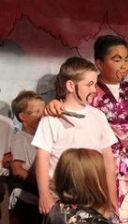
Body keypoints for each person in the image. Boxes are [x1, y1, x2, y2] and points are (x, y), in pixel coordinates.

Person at [46, 35, 128, 224]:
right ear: (99, 64)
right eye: (116, 59)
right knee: (103, 222)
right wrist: (52, 105)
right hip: (100, 168)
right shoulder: (88, 91)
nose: (123, 65)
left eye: (126, 59)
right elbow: (65, 107)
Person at [32, 56, 118, 215]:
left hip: (93, 194)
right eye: (89, 84)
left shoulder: (98, 116)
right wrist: (44, 194)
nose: (94, 90)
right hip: (60, 194)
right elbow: (42, 158)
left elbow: (108, 160)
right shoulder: (51, 118)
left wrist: (112, 196)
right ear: (71, 85)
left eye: (95, 84)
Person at [8, 90, 45, 224]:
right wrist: (40, 182)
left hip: (40, 199)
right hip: (26, 200)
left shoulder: (44, 138)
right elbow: (17, 169)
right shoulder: (20, 139)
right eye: (35, 111)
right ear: (23, 116)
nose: (41, 115)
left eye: (42, 110)